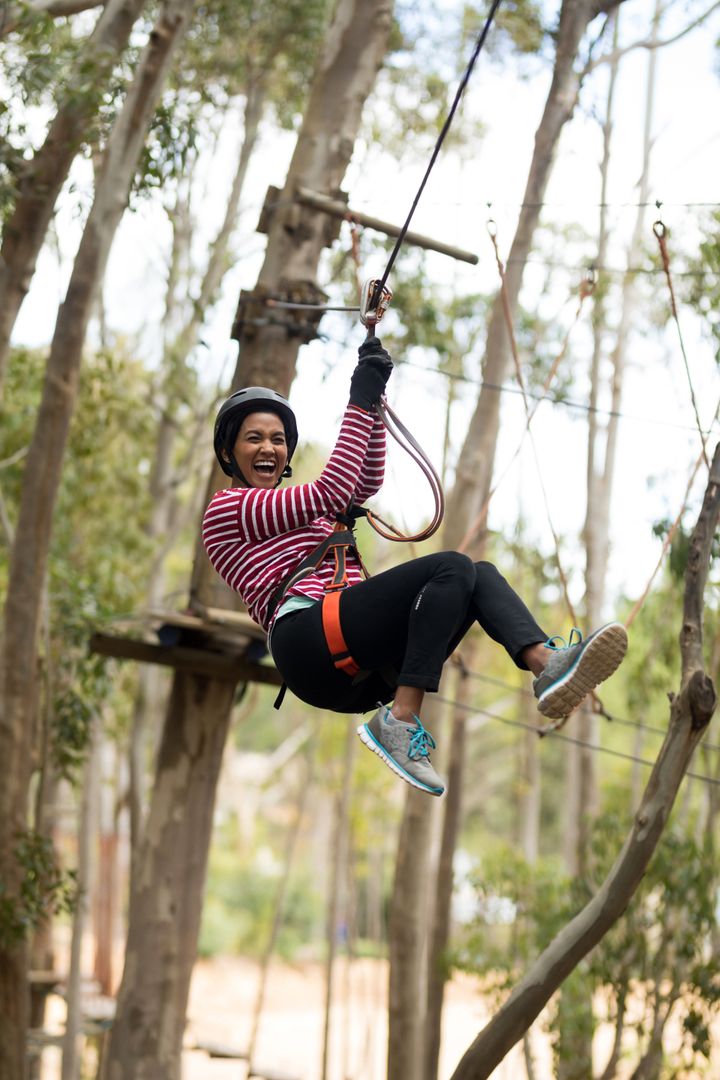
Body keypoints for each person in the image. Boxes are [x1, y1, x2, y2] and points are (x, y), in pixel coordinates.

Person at [202, 339, 628, 797]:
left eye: (278, 439)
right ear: (229, 452)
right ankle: (402, 719)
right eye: (255, 438)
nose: (269, 447)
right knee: (451, 569)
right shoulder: (228, 508)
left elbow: (363, 481)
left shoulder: (299, 509)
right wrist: (357, 398)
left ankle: (543, 662)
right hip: (306, 641)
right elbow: (332, 488)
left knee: (477, 573)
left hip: (359, 671)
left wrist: (376, 400)